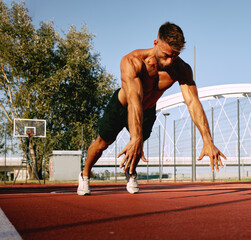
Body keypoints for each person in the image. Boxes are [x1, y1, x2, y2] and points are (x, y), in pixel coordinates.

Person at [77, 22, 226, 195]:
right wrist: (135, 136)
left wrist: (208, 140)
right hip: (122, 105)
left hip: (147, 109)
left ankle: (131, 172)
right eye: (166, 55)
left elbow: (193, 103)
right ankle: (85, 174)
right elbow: (134, 100)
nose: (170, 61)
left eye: (175, 56)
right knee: (102, 143)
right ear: (156, 43)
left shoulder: (181, 69)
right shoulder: (133, 61)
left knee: (139, 143)